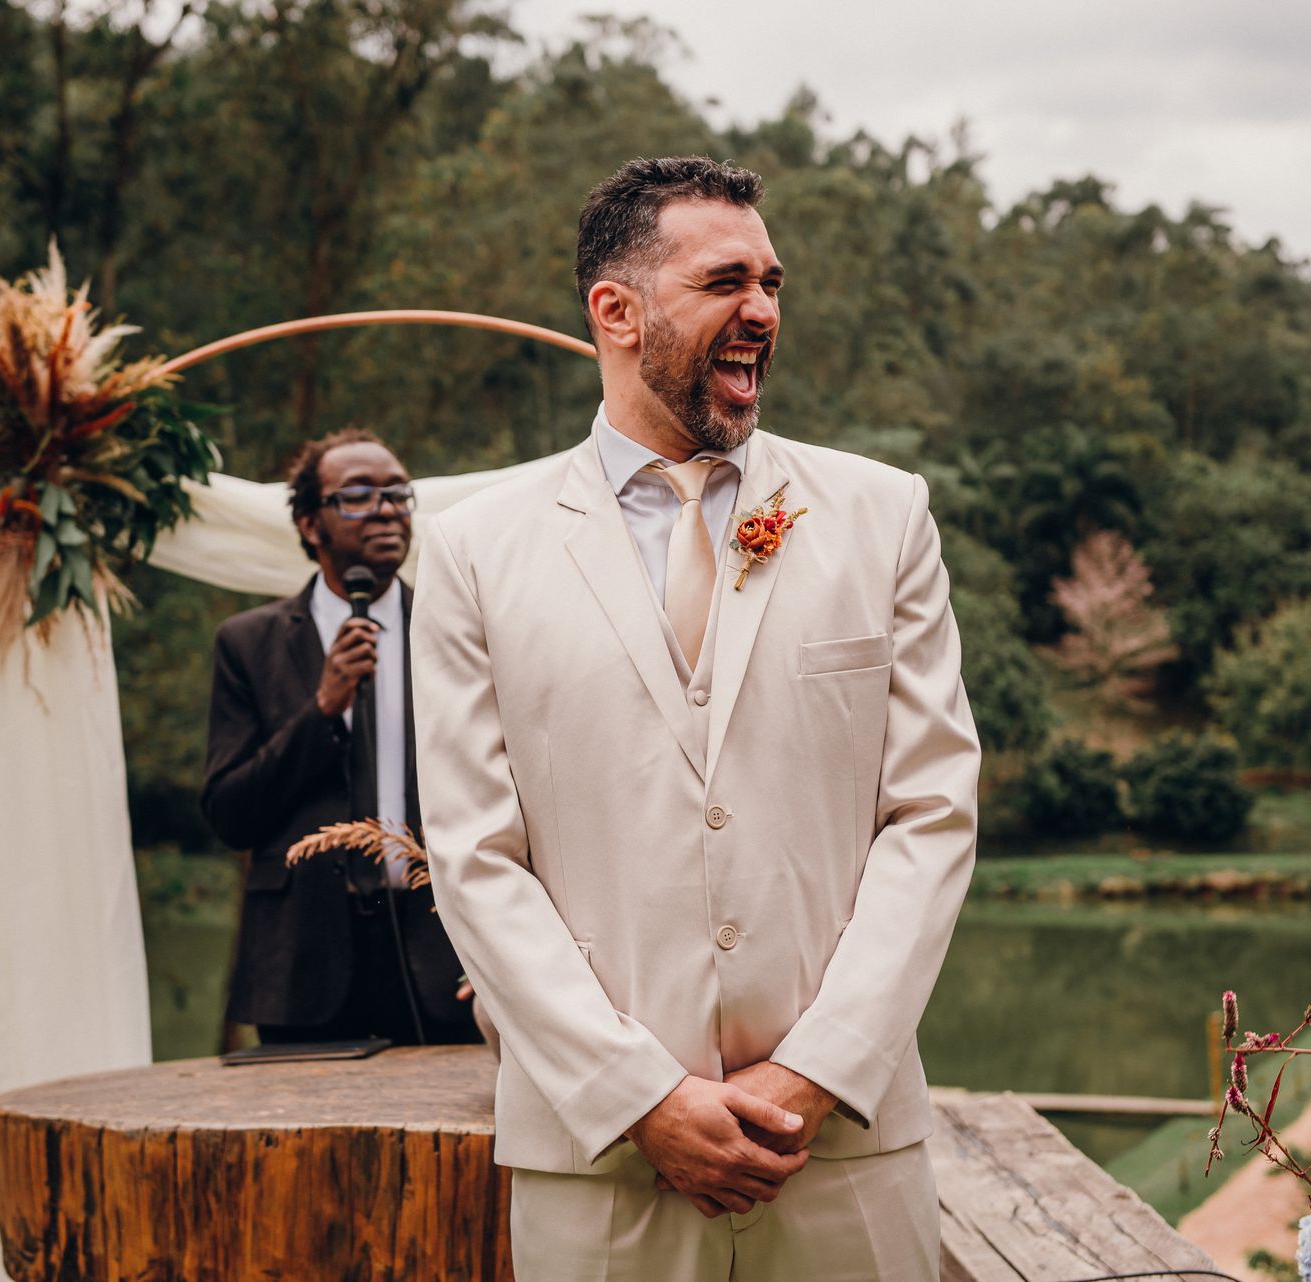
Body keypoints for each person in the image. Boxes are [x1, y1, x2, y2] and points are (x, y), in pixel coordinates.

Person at [410, 157, 981, 1278]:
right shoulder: (476, 548)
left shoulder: (882, 516)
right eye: (726, 281)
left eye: (772, 284)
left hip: (844, 1158)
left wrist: (815, 1071)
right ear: (615, 311)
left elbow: (932, 815)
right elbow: (475, 855)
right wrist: (639, 1097)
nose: (762, 312)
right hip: (603, 1170)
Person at [202, 428, 477, 1048]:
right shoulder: (249, 644)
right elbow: (230, 815)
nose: (385, 508)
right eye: (356, 495)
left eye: (397, 494)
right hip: (303, 963)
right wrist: (322, 708)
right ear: (308, 523)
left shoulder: (460, 627)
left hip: (442, 958)